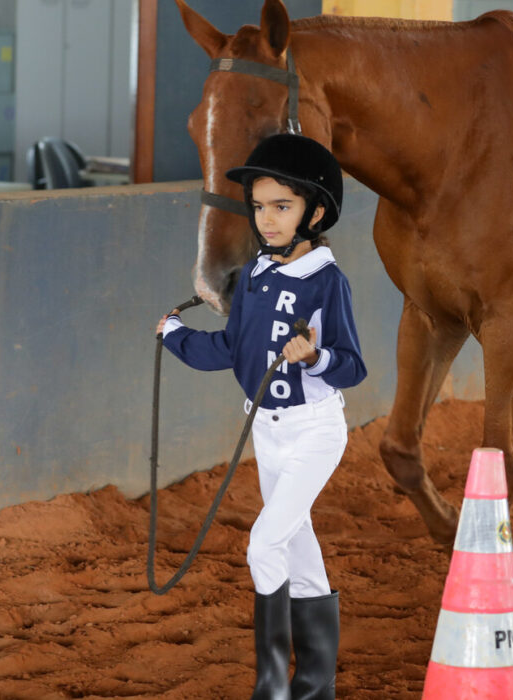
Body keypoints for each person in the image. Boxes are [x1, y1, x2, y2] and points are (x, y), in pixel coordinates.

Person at [156, 133, 365, 700]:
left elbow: (351, 368)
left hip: (314, 429)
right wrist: (175, 337)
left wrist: (315, 355)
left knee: (264, 544)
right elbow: (232, 350)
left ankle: (272, 683)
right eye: (259, 206)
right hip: (266, 434)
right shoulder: (251, 276)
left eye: (282, 206)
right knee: (296, 547)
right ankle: (317, 683)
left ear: (314, 212)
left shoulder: (327, 281)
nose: (266, 219)